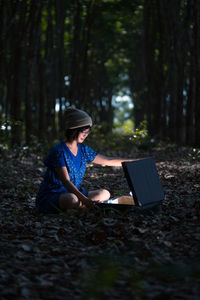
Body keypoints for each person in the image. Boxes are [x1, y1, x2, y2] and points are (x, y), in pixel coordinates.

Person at [36, 107, 136, 213]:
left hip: (76, 193)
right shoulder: (59, 151)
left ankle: (82, 207)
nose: (86, 135)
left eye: (88, 132)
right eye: (83, 132)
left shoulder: (83, 149)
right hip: (54, 194)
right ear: (74, 130)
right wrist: (84, 199)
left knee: (105, 193)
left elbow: (108, 161)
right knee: (72, 199)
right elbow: (66, 181)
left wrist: (135, 162)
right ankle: (83, 207)